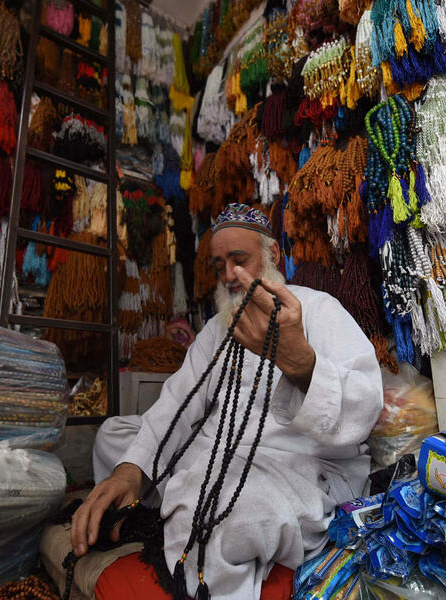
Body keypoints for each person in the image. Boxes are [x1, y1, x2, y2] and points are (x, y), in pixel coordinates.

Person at [71, 203, 383, 600]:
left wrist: (299, 362)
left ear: (274, 257)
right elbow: (177, 403)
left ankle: (188, 521)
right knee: (115, 436)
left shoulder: (319, 310)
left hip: (298, 466)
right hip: (218, 452)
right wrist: (131, 471)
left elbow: (365, 404)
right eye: (220, 266)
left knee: (226, 511)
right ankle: (162, 497)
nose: (230, 276)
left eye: (240, 260)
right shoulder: (219, 326)